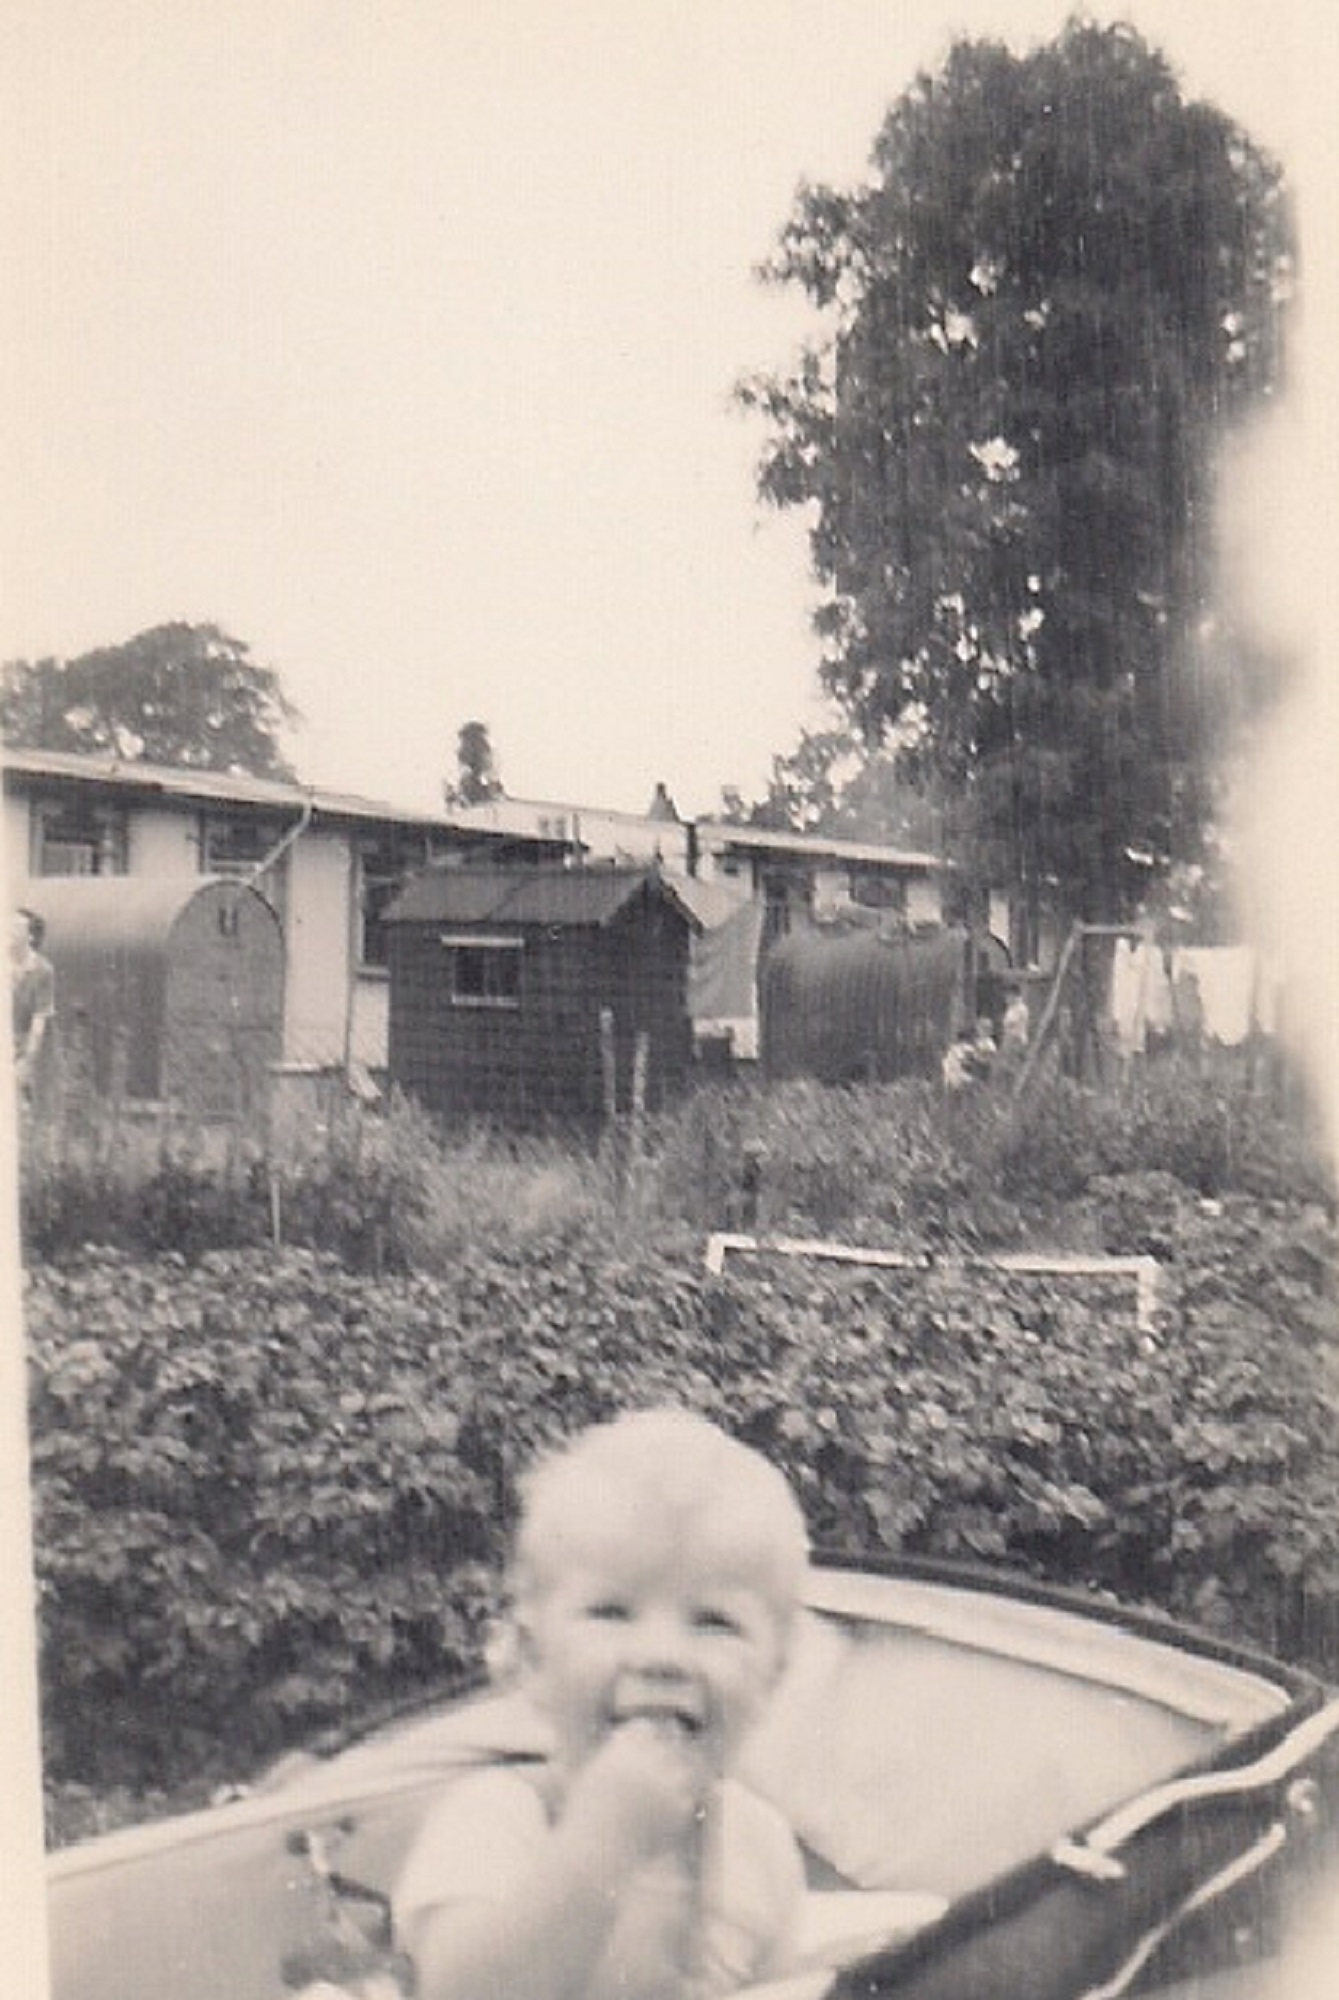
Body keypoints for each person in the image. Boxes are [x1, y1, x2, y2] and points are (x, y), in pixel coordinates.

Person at [392, 1409, 810, 2000]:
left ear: (775, 1672)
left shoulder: (760, 1849)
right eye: (612, 1612)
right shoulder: (493, 1821)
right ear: (533, 1660)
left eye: (714, 1621)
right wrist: (602, 1841)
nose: (662, 1655)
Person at [12, 907, 55, 1114]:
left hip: (23, 1050)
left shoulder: (42, 971)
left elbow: (39, 1024)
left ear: (29, 936)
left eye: (15, 928)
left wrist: (26, 1061)